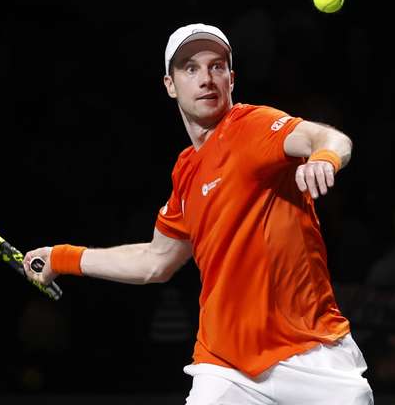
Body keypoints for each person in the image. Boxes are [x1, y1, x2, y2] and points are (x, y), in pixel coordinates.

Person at [22, 23, 374, 404]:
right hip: (225, 367)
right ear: (170, 85)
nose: (206, 78)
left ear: (231, 79)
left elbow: (329, 138)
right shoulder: (186, 172)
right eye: (190, 68)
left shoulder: (253, 126)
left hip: (313, 354)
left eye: (217, 66)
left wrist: (324, 157)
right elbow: (155, 261)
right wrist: (62, 257)